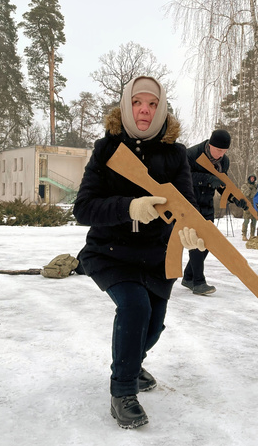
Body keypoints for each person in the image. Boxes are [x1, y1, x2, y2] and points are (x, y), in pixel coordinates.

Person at [73, 76, 205, 429]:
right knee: (135, 308)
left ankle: (131, 360)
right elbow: (83, 208)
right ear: (126, 106)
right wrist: (128, 207)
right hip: (111, 252)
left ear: (161, 108)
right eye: (137, 102)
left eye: (151, 104)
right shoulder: (107, 149)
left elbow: (187, 206)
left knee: (154, 324)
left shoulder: (176, 154)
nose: (144, 110)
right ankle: (123, 391)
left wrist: (191, 231)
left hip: (157, 255)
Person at [182, 129, 247, 295]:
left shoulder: (224, 162)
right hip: (190, 203)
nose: (221, 154)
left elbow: (222, 184)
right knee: (197, 241)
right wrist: (208, 179)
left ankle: (189, 276)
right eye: (218, 150)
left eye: (224, 151)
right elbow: (183, 177)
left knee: (207, 242)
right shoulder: (191, 154)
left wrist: (235, 198)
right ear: (210, 144)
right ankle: (198, 282)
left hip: (208, 205)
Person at [241, 174, 258, 241]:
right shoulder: (245, 186)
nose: (252, 179)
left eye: (253, 178)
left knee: (254, 221)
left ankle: (252, 235)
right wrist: (249, 190)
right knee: (246, 220)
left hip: (254, 206)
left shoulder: (255, 187)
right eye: (251, 178)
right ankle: (244, 234)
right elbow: (244, 194)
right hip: (247, 205)